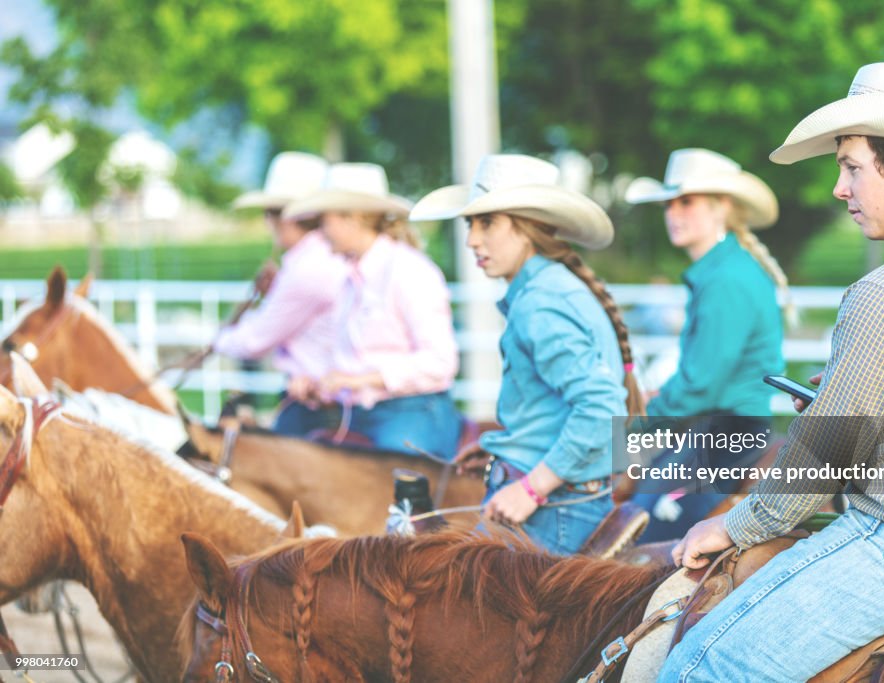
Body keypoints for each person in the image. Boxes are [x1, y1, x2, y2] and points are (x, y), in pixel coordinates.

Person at [658, 62, 884, 682]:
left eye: (851, 166)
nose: (839, 188)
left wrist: (735, 523)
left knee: (696, 670)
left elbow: (822, 461)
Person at [410, 154, 644, 555]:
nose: (471, 240)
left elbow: (601, 405)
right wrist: (515, 443)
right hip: (564, 502)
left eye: (487, 223)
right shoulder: (551, 288)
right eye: (471, 224)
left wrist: (531, 489)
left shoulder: (540, 301)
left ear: (526, 228)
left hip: (553, 510)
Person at [624, 148, 788, 542]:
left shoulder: (724, 280)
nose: (673, 213)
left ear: (721, 207)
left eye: (687, 202)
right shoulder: (725, 271)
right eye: (669, 204)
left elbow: (700, 385)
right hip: (723, 424)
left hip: (727, 430)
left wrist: (638, 429)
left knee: (643, 532)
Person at [281, 162, 462, 459]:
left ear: (354, 218)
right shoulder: (351, 279)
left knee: (393, 490)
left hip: (413, 411)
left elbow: (440, 361)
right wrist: (321, 383)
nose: (321, 231)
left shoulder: (409, 271)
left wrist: (356, 381)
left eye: (325, 220)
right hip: (365, 413)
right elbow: (353, 361)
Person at [214, 151, 347, 437]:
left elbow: (254, 341)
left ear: (287, 217)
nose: (268, 222)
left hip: (315, 403)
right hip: (324, 395)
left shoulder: (306, 269)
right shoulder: (316, 260)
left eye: (271, 213)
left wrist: (217, 340)